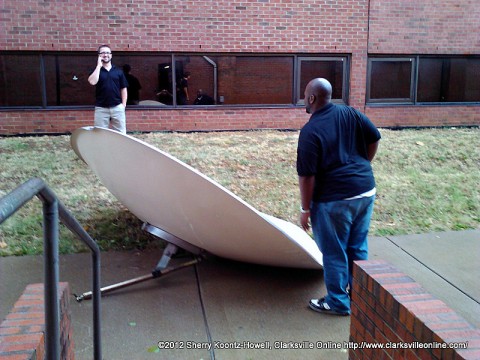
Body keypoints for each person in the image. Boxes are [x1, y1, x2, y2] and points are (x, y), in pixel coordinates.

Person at [296, 78, 381, 316]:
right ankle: (360, 297)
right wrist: (363, 164)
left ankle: (337, 302)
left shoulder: (310, 131)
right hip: (365, 191)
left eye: (305, 95)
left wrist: (305, 210)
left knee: (334, 252)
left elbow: (307, 176)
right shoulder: (350, 114)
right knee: (357, 247)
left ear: (312, 98)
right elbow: (374, 138)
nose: (305, 99)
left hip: (334, 200)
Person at [88, 45, 128, 134]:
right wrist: (98, 66)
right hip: (101, 108)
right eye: (102, 53)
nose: (105, 55)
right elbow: (92, 82)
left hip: (117, 107)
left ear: (111, 55)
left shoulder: (118, 71)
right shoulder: (96, 71)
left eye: (107, 52)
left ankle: (118, 148)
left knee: (121, 134)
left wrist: (123, 105)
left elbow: (123, 88)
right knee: (100, 134)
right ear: (99, 55)